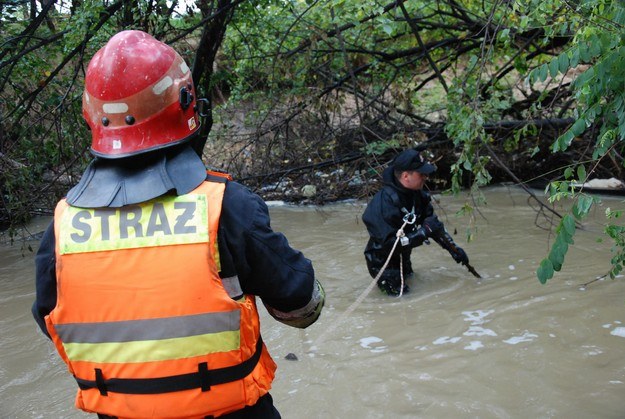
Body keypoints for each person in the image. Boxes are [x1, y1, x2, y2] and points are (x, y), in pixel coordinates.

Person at [31, 30, 324, 419]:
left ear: (92, 115)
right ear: (184, 103)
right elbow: (301, 304)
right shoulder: (228, 207)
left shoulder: (62, 226)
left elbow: (51, 320)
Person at [362, 148, 469, 296]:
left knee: (411, 281)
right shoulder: (381, 206)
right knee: (402, 299)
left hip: (404, 256)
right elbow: (389, 245)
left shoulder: (418, 196)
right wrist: (423, 233)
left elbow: (433, 225)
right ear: (406, 176)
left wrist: (453, 249)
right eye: (421, 174)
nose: (426, 177)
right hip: (382, 263)